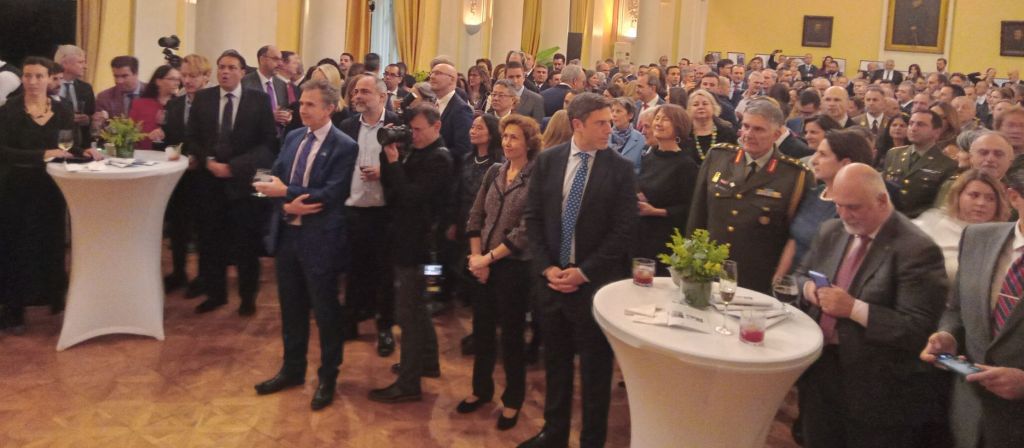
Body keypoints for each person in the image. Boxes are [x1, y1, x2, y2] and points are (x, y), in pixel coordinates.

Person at [797, 163, 949, 448]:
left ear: (881, 200)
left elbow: (917, 329)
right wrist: (810, 290)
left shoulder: (916, 249)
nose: (844, 214)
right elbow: (802, 274)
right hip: (821, 368)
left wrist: (853, 308)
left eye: (853, 207)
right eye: (838, 205)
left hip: (875, 384)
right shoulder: (832, 230)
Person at [519, 93, 637, 448]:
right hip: (552, 283)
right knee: (555, 365)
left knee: (595, 372)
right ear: (577, 125)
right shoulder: (549, 161)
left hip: (594, 287)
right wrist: (547, 268)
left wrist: (583, 272)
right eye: (601, 123)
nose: (609, 129)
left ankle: (591, 440)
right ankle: (553, 433)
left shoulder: (620, 169)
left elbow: (623, 231)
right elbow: (533, 218)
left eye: (610, 122)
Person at [250, 78, 356, 411]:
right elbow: (269, 178)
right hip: (287, 235)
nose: (303, 109)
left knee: (325, 311)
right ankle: (292, 369)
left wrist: (286, 193)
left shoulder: (344, 146)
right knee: (291, 307)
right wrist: (283, 203)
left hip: (320, 240)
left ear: (329, 108)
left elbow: (332, 193)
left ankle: (328, 377)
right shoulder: (294, 136)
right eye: (302, 104)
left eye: (311, 104)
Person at [920, 170, 1024, 448]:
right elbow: (957, 309)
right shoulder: (978, 238)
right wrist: (948, 336)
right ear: (1014, 198)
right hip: (970, 409)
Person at [0, 57, 96, 332]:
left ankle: (52, 298)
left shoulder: (62, 109)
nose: (32, 82)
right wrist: (43, 153)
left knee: (50, 243)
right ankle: (14, 309)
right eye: (28, 76)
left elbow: (68, 146)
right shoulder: (8, 111)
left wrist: (84, 152)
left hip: (51, 186)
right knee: (15, 247)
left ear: (49, 78)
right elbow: (4, 151)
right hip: (15, 187)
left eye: (38, 76)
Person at [368, 103, 454, 404]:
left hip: (423, 251)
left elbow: (410, 197)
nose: (413, 135)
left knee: (409, 314)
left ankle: (408, 383)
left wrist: (394, 164)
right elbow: (393, 188)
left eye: (418, 130)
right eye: (411, 129)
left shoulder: (439, 159)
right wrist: (388, 153)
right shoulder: (418, 152)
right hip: (413, 244)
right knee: (420, 309)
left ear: (436, 127)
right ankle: (427, 362)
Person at [458, 114, 537, 431]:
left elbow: (525, 231)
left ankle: (513, 400)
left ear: (529, 143)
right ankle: (481, 389)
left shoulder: (535, 179)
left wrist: (487, 259)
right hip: (484, 262)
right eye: (505, 136)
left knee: (512, 336)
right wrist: (476, 257)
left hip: (513, 266)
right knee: (482, 331)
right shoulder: (494, 171)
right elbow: (476, 215)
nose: (507, 142)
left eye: (514, 137)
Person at [186, 50, 277, 316]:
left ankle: (247, 298)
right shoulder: (203, 99)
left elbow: (268, 145)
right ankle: (215, 294)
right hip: (210, 183)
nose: (225, 72)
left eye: (231, 67)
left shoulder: (258, 101)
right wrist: (208, 162)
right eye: (221, 67)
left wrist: (234, 168)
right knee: (210, 242)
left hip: (244, 184)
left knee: (246, 245)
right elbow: (192, 138)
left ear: (242, 72)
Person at [687, 98, 810, 294]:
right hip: (709, 269)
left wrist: (780, 279)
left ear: (776, 134)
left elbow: (795, 236)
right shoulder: (719, 157)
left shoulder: (794, 175)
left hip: (757, 277)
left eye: (758, 129)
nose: (748, 134)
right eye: (745, 126)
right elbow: (698, 214)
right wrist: (690, 260)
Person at [338, 74, 404, 353]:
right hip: (353, 208)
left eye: (364, 91)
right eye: (355, 91)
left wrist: (383, 171)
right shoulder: (347, 126)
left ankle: (385, 326)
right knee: (354, 270)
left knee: (384, 274)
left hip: (384, 212)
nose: (357, 96)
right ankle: (351, 319)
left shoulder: (398, 126)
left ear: (382, 96)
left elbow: (407, 166)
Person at [773, 130, 876, 283]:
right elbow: (794, 239)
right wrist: (778, 279)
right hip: (792, 282)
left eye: (822, 155)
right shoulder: (814, 194)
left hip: (820, 285)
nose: (813, 160)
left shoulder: (854, 207)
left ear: (845, 163)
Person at [163, 54, 210, 296]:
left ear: (206, 77)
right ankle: (178, 272)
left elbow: (215, 140)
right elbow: (172, 138)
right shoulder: (175, 104)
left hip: (204, 174)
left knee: (202, 228)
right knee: (178, 226)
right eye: (184, 75)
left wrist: (198, 158)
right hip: (179, 175)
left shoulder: (213, 104)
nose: (188, 80)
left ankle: (203, 277)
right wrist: (172, 152)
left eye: (193, 75)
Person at [636, 104, 699, 276]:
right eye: (657, 118)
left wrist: (656, 211)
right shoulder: (649, 156)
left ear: (678, 127)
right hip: (641, 232)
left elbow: (690, 208)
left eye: (665, 119)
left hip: (665, 238)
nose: (658, 123)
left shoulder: (686, 165)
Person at [914, 169, 1008, 282]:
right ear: (958, 195)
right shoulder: (932, 223)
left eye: (990, 199)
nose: (981, 203)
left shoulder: (1005, 235)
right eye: (974, 195)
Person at [883, 110, 959, 218]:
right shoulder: (894, 154)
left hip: (922, 222)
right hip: (890, 218)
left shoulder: (947, 164)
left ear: (936, 132)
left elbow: (939, 205)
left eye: (920, 124)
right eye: (911, 123)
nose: (913, 128)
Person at [128, 65, 181, 149]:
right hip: (143, 152)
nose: (177, 83)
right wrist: (147, 136)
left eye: (178, 79)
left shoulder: (180, 105)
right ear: (158, 81)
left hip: (170, 153)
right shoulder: (139, 104)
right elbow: (128, 133)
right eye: (172, 79)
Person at [242, 45, 291, 133]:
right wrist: (269, 117)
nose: (280, 64)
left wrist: (287, 116)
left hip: (278, 138)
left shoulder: (281, 84)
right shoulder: (245, 83)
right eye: (275, 59)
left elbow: (284, 108)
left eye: (281, 60)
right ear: (262, 60)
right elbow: (242, 116)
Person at [682, 89, 737, 165]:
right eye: (695, 104)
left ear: (713, 107)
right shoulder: (684, 135)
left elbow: (736, 158)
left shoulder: (727, 131)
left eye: (705, 104)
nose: (700, 107)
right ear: (689, 110)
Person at [53, 45, 94, 144]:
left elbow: (91, 114)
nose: (85, 67)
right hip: (52, 142)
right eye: (80, 62)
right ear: (64, 64)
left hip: (80, 143)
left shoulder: (86, 88)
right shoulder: (48, 87)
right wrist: (66, 118)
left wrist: (88, 119)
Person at [93, 56, 141, 122]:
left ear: (136, 73)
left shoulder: (152, 92)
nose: (119, 81)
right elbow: (100, 126)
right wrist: (97, 123)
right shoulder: (104, 97)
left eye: (124, 76)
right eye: (116, 76)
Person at [608, 97, 645, 173]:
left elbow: (641, 168)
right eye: (612, 111)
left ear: (630, 115)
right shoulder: (604, 136)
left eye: (618, 111)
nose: (614, 114)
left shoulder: (641, 139)